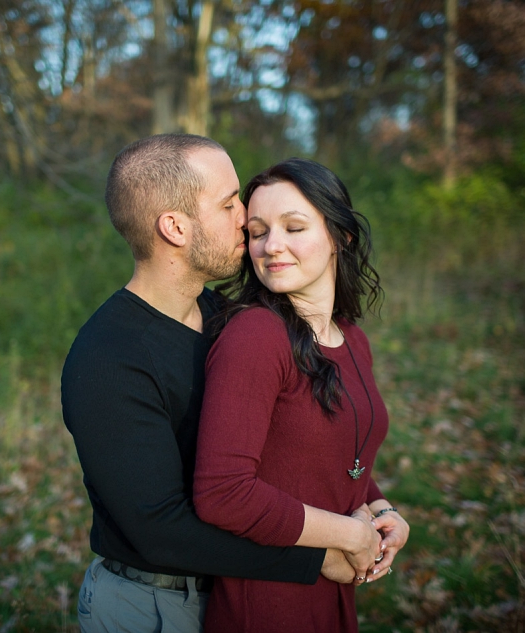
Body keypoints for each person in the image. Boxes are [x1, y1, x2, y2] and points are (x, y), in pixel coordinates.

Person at [61, 135, 355, 633]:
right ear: (175, 227)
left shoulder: (225, 318)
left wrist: (373, 505)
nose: (245, 217)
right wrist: (317, 557)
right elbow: (160, 530)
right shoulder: (108, 358)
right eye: (228, 203)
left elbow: (296, 437)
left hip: (237, 596)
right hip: (152, 606)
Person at [193, 158, 410, 632]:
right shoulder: (255, 336)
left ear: (340, 237)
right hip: (268, 599)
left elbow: (327, 453)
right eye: (257, 232)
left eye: (293, 228)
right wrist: (348, 534)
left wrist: (382, 509)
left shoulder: (352, 339)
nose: (271, 246)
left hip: (331, 592)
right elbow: (222, 492)